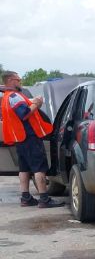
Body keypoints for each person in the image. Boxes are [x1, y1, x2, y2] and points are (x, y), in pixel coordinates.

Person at [1, 71, 63, 207]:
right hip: (29, 137)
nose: (20, 81)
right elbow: (24, 114)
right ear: (11, 80)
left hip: (20, 138)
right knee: (39, 168)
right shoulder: (14, 96)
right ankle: (44, 199)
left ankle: (26, 198)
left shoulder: (6, 97)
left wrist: (31, 102)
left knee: (24, 169)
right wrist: (37, 103)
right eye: (18, 79)